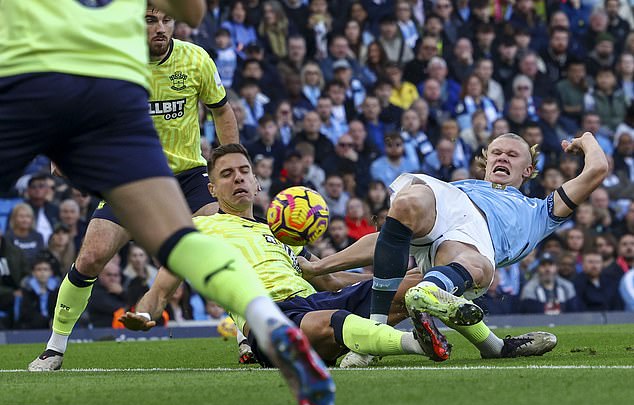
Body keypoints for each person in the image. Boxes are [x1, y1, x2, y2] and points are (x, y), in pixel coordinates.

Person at [1, 0, 333, 405]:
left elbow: (221, 109)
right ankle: (55, 348)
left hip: (189, 176)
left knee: (225, 236)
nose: (160, 28)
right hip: (130, 170)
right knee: (91, 256)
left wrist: (228, 158)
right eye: (150, 20)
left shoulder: (195, 59)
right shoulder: (111, 54)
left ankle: (253, 330)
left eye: (165, 20)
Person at [121, 144, 452, 366]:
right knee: (330, 322)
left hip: (314, 301)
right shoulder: (200, 229)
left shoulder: (282, 231)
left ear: (256, 183)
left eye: (243, 171)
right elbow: (161, 289)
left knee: (418, 282)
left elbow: (329, 280)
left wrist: (381, 281)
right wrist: (145, 315)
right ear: (212, 189)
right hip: (270, 317)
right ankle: (414, 342)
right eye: (226, 174)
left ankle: (490, 345)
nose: (237, 177)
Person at [300, 131, 607, 362]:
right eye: (497, 153)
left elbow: (596, 170)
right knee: (407, 201)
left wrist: (588, 140)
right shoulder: (457, 187)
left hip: (471, 243)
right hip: (447, 208)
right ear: (486, 162)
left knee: (474, 267)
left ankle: (422, 303)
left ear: (528, 170)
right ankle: (377, 332)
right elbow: (383, 241)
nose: (502, 158)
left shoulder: (541, 210)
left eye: (512, 155)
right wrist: (318, 265)